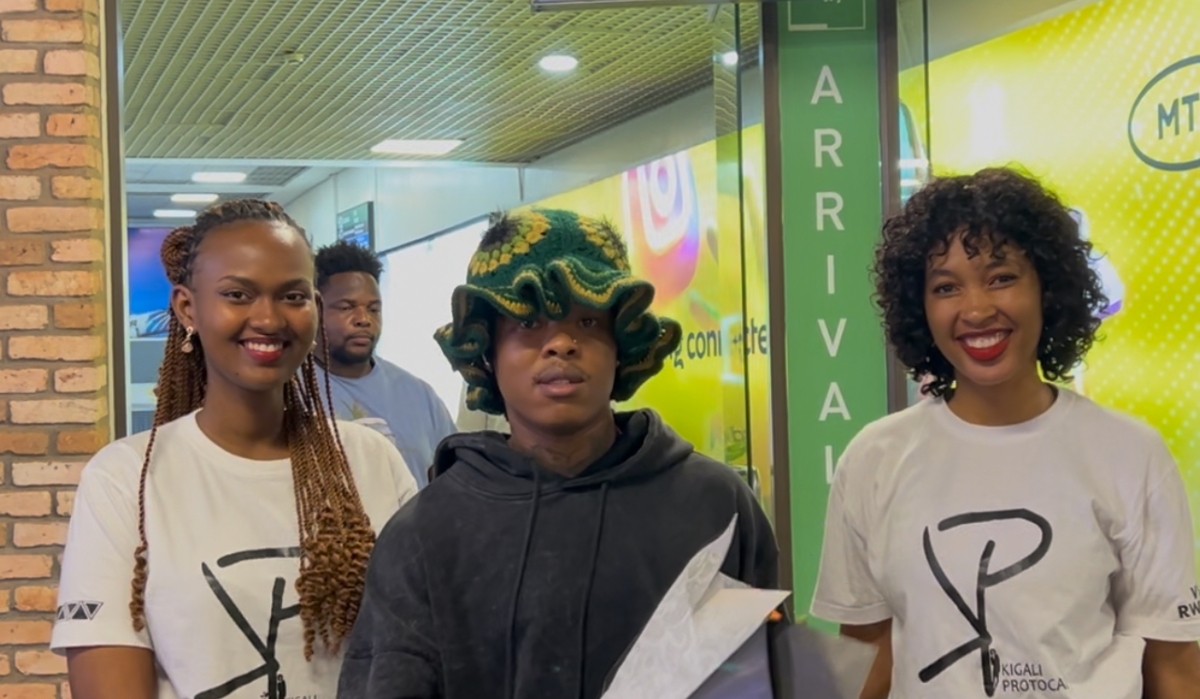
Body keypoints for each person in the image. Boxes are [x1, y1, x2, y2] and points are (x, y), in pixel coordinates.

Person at [339, 208, 779, 699]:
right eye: (528, 322)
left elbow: (765, 674)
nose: (562, 344)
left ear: (622, 343)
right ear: (485, 350)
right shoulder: (427, 532)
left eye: (588, 320)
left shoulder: (715, 506)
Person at [811, 168, 1200, 698]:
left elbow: (1174, 668)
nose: (975, 309)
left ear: (1048, 287)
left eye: (1001, 277)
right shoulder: (874, 460)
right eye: (946, 287)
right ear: (919, 308)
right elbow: (867, 656)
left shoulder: (1130, 454)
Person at [52, 200, 418, 699]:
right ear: (187, 308)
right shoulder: (126, 478)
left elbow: (414, 654)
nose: (267, 318)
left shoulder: (371, 461)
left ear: (313, 306)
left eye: (292, 296)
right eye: (237, 294)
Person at [313, 240, 456, 487]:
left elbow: (450, 478)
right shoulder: (288, 393)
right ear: (314, 310)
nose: (363, 319)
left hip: (416, 526)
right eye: (346, 307)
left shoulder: (419, 395)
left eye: (373, 309)